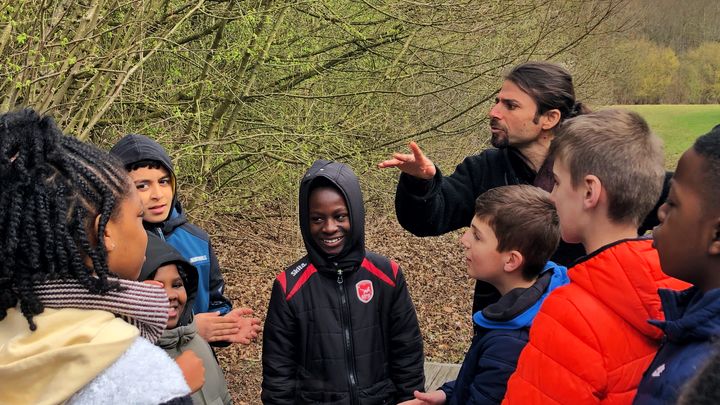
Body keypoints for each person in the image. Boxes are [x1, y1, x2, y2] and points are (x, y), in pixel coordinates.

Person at [378, 62, 668, 314]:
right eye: (497, 101)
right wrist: (421, 182)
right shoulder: (485, 169)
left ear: (549, 118)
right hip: (503, 327)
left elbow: (677, 198)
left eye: (510, 105)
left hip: (583, 324)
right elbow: (429, 218)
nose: (493, 112)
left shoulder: (601, 166)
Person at [0, 109, 193, 404]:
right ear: (105, 234)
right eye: (138, 218)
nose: (145, 234)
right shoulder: (141, 380)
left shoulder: (9, 332)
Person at [502, 109, 690, 404]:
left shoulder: (569, 314)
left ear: (589, 192)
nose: (552, 196)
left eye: (558, 183)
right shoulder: (682, 288)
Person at [261, 160, 424, 404]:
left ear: (355, 214)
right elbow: (278, 376)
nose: (329, 228)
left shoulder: (386, 275)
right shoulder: (288, 287)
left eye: (340, 216)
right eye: (317, 219)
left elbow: (407, 353)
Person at [400, 185, 569, 405]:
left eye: (477, 236)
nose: (464, 240)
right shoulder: (542, 295)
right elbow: (487, 383)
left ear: (511, 261)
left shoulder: (510, 344)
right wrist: (447, 394)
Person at [109, 134, 261, 345]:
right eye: (142, 186)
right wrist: (191, 328)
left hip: (199, 365)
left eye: (163, 182)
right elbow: (110, 327)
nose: (158, 194)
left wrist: (225, 325)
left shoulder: (197, 239)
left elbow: (214, 302)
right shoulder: (111, 247)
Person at [633, 126, 720, 404]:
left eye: (672, 202)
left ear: (717, 235)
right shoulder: (693, 323)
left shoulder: (701, 375)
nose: (660, 211)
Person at [139, 234, 232, 405]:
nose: (170, 295)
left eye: (176, 285)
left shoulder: (198, 342)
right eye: (157, 287)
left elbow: (224, 398)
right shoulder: (134, 361)